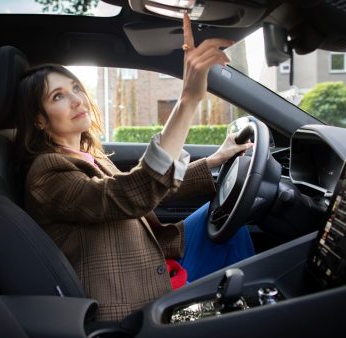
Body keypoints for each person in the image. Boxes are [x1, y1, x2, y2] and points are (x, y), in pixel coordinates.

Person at [14, 14, 254, 322]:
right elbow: (130, 195)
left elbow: (147, 191)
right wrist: (187, 102)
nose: (77, 100)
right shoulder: (47, 172)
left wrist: (213, 162)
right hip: (129, 297)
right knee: (233, 230)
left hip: (152, 257)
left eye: (75, 88)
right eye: (58, 96)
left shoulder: (87, 155)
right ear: (40, 120)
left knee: (232, 224)